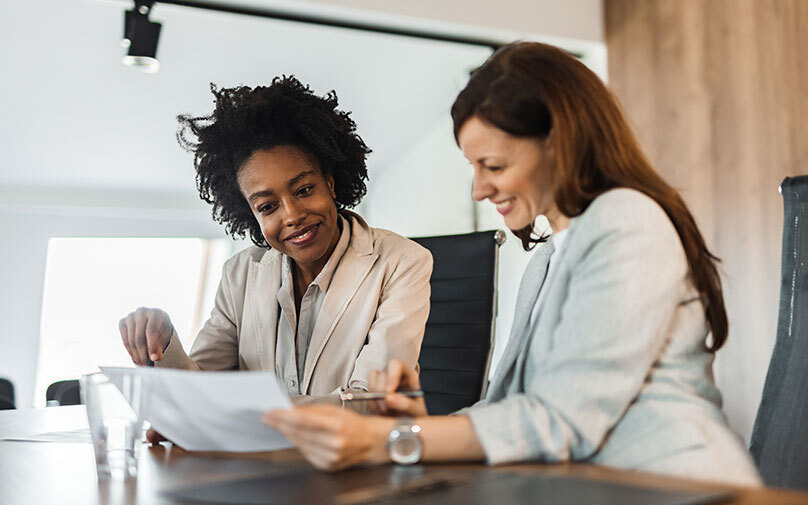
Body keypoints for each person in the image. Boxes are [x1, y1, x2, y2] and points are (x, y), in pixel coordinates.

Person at [262, 43, 762, 486]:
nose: (479, 189)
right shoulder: (547, 258)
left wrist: (391, 442)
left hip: (671, 485)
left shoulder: (626, 221)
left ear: (559, 143)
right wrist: (412, 421)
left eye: (494, 166)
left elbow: (560, 420)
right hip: (584, 485)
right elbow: (511, 411)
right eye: (474, 167)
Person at [118, 76, 433, 409]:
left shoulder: (401, 262)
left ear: (330, 182)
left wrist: (250, 413)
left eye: (304, 190)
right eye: (267, 206)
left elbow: (373, 401)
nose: (292, 215)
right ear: (251, 213)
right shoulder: (240, 275)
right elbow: (200, 393)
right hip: (260, 457)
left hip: (355, 458)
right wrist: (167, 342)